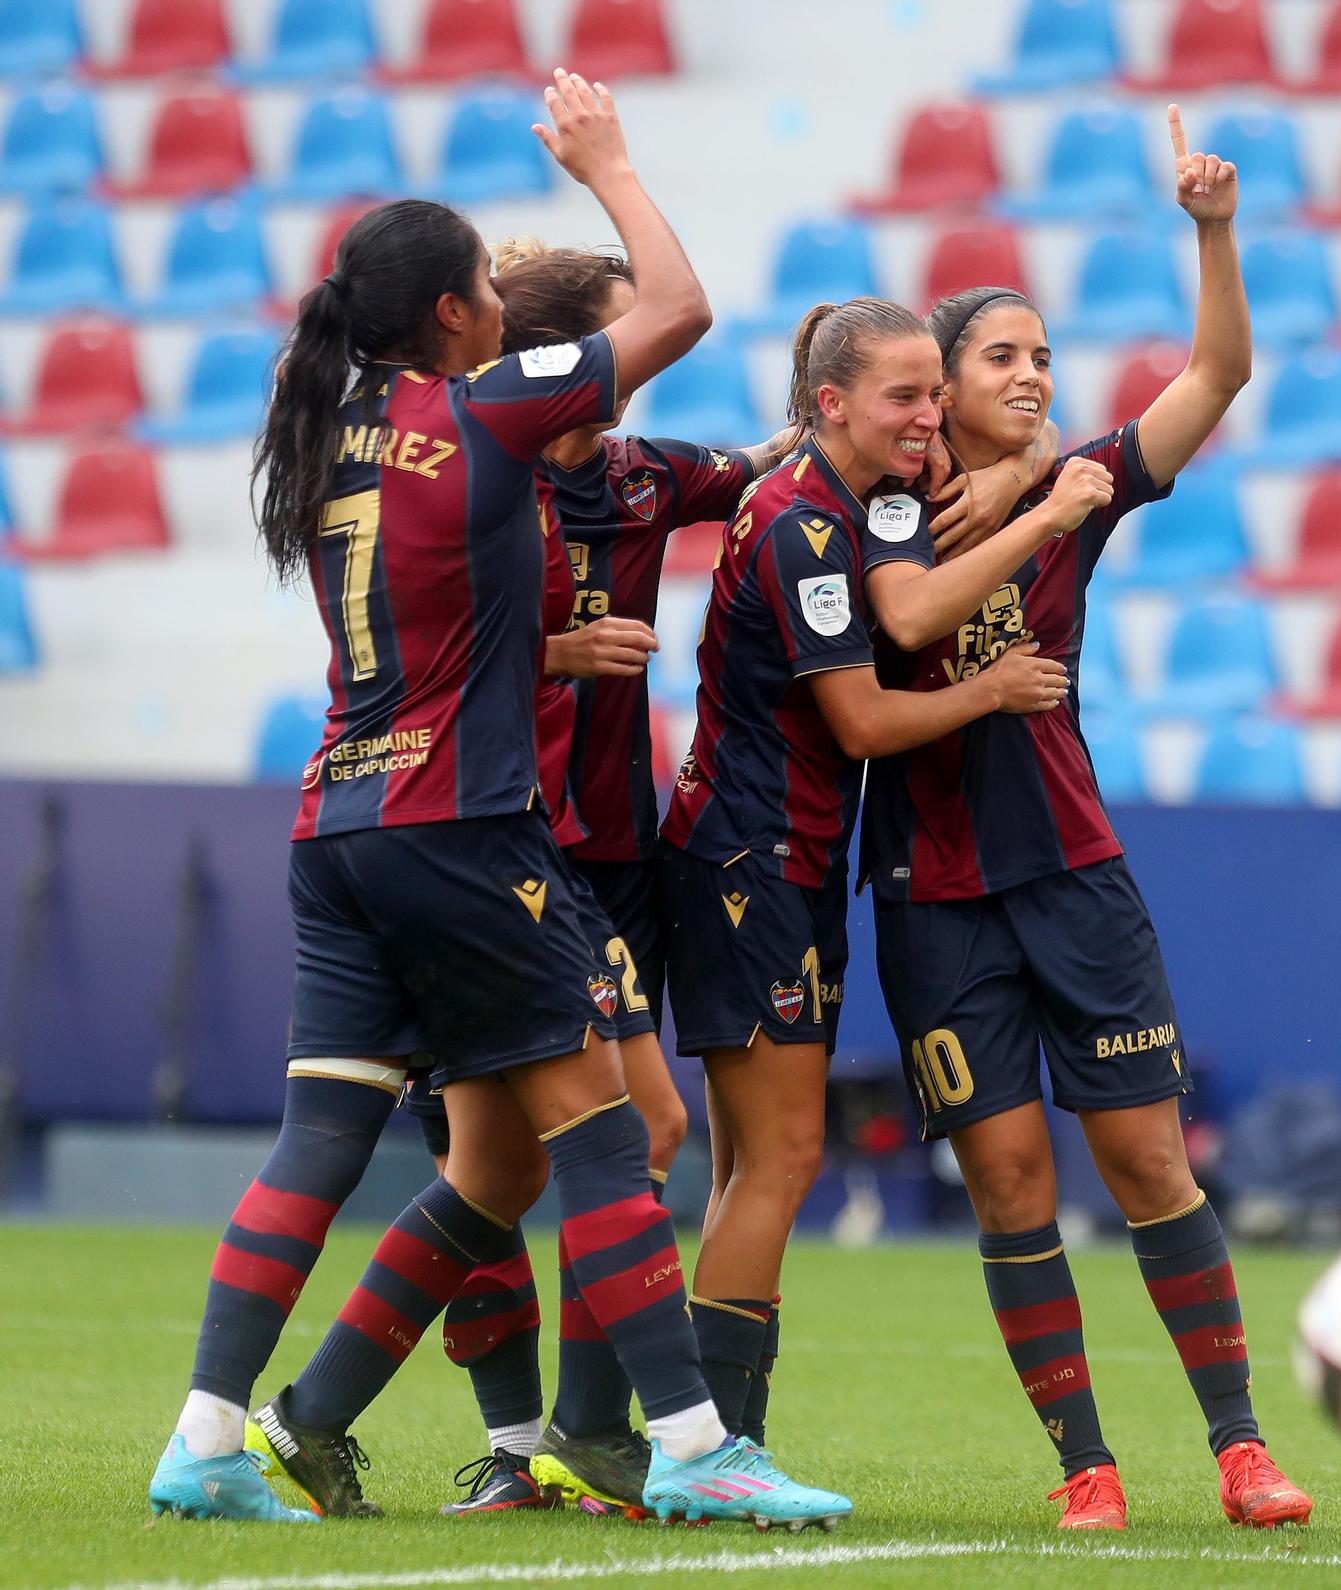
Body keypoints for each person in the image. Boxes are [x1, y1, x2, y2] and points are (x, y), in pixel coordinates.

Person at [150, 71, 844, 1533]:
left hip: (332, 825)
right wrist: (610, 163)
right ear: (464, 319)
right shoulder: (484, 417)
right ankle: (695, 1442)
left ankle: (215, 1436)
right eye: (478, 281)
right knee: (607, 1131)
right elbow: (678, 306)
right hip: (462, 828)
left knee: (327, 1145)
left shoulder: (323, 429)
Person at [860, 106, 1314, 1532]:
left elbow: (1221, 370)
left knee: (1144, 1160)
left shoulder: (1087, 485)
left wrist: (1214, 229)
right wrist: (1021, 498)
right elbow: (897, 610)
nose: (1036, 372)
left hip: (1072, 871)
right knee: (1006, 1175)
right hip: (931, 891)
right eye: (1005, 354)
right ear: (937, 382)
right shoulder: (877, 510)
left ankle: (1241, 1447)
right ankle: (1085, 1467)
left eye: (1044, 354)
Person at [658, 295, 1108, 1448]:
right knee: (785, 1156)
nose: (927, 417)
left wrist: (1029, 465)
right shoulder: (808, 526)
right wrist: (989, 691)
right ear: (830, 404)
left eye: (930, 395)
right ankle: (712, 1449)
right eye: (904, 398)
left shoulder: (846, 502)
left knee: (751, 1163)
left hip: (775, 860)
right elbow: (858, 720)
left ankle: (703, 1438)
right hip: (751, 862)